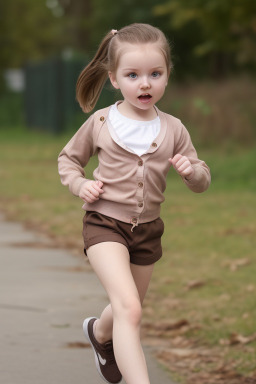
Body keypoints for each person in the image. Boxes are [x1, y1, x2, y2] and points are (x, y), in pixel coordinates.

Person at [58, 23, 211, 384]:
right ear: (113, 78)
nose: (145, 83)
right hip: (104, 224)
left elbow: (202, 178)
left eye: (155, 74)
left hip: (147, 232)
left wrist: (192, 172)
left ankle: (99, 334)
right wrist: (81, 185)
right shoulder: (100, 122)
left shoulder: (174, 129)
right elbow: (68, 160)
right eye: (133, 75)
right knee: (130, 309)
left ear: (166, 76)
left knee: (126, 308)